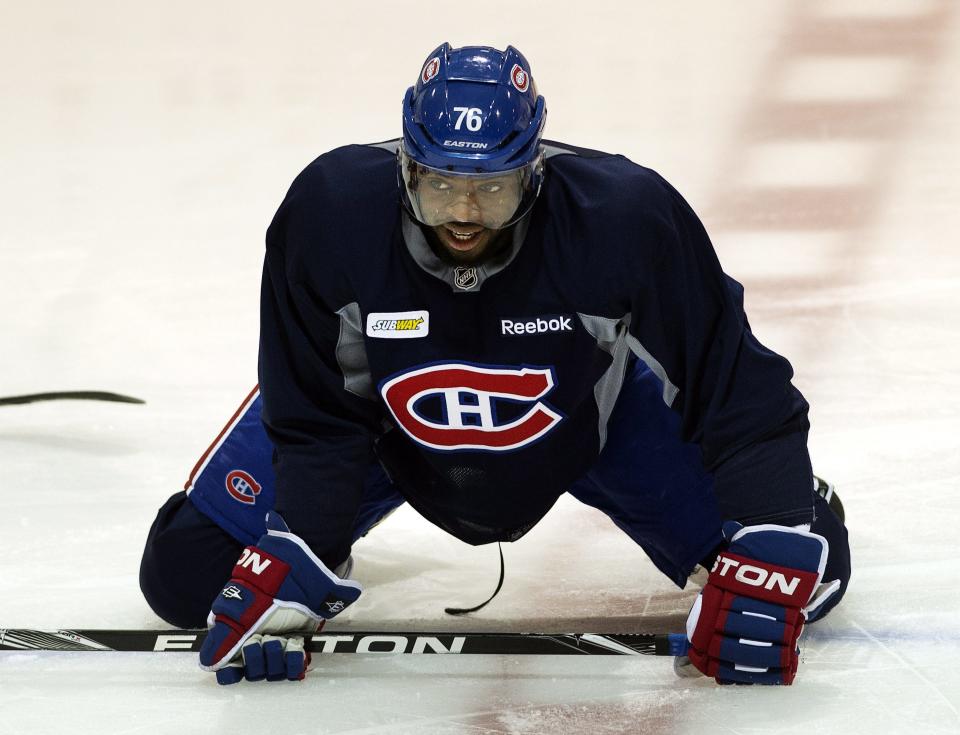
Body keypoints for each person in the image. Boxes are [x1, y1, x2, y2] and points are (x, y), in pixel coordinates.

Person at [139, 42, 851, 686]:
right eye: (442, 184)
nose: (465, 212)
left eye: (493, 187)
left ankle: (794, 507)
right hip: (383, 423)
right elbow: (313, 404)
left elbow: (729, 375)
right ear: (406, 167)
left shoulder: (623, 217)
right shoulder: (330, 212)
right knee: (186, 576)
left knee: (806, 578)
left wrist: (772, 526)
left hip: (585, 416)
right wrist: (307, 548)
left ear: (534, 172)